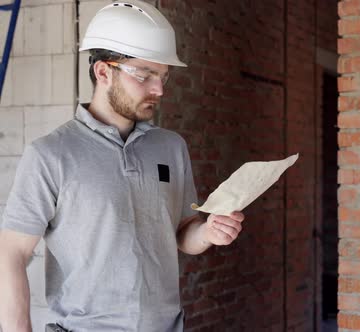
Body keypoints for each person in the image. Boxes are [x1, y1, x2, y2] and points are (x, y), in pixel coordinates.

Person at [0, 1, 245, 331]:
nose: (158, 89)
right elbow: (11, 254)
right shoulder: (51, 154)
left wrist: (208, 232)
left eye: (163, 76)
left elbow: (183, 232)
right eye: (145, 75)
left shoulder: (171, 147)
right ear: (103, 72)